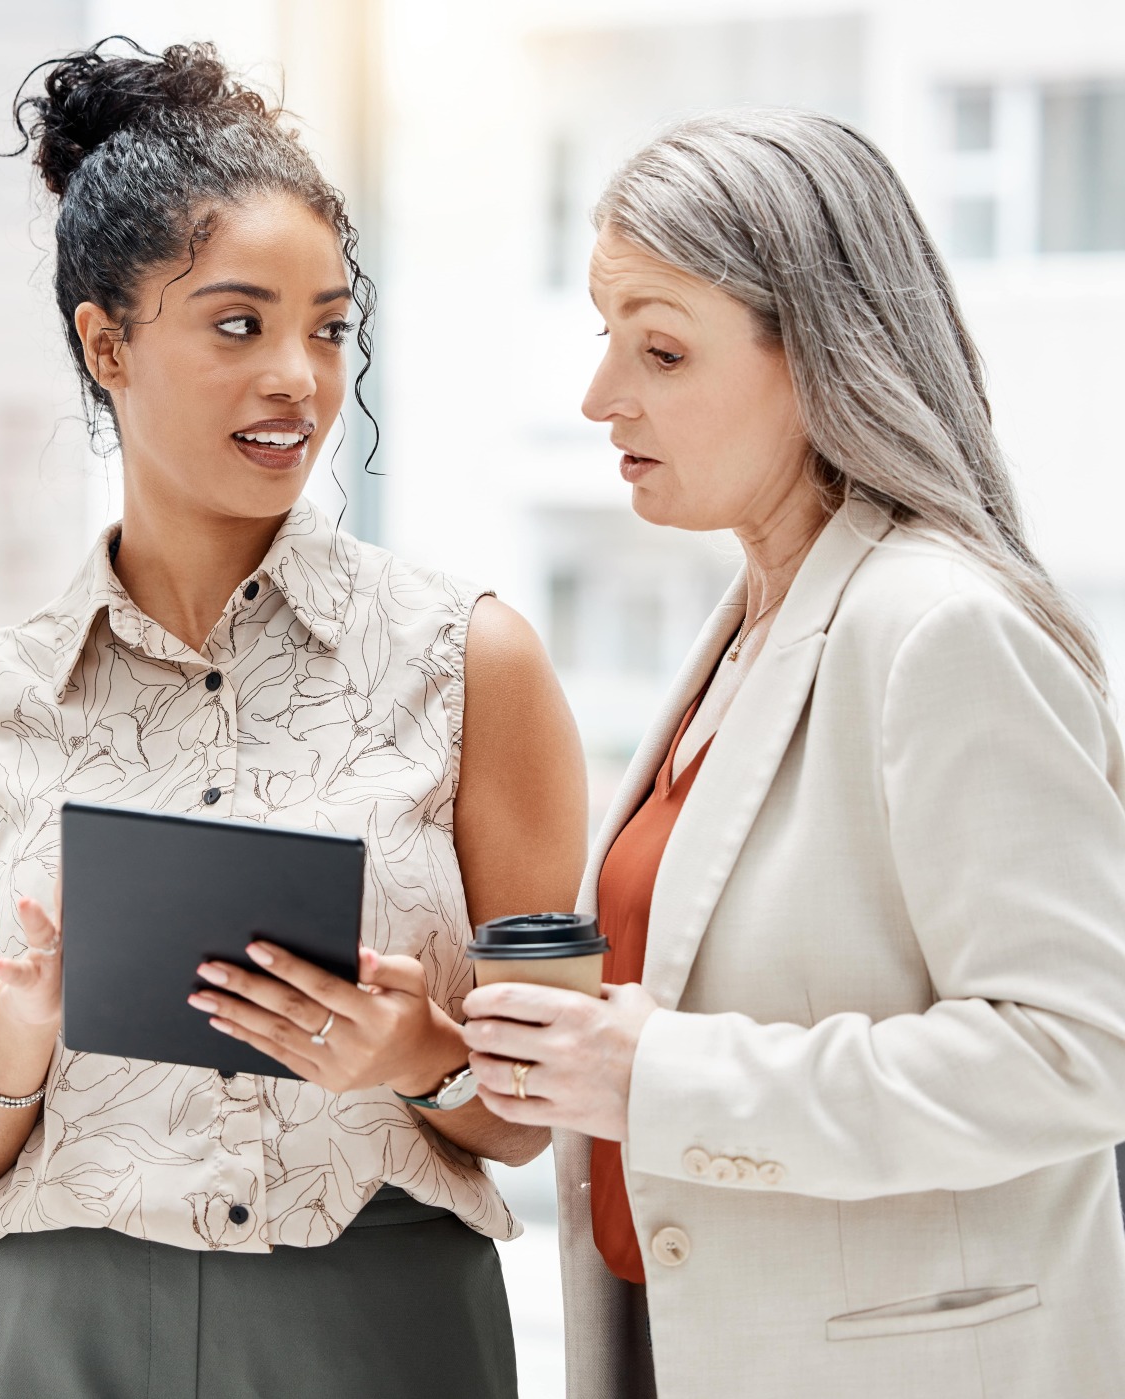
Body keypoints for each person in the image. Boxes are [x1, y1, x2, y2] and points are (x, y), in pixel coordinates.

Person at [0, 41, 587, 1398]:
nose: (299, 376)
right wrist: (16, 1038)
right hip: (47, 1334)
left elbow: (535, 1110)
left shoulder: (473, 662)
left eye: (330, 327)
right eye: (237, 324)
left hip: (379, 1327)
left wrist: (424, 1054)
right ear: (107, 343)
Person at [458, 109, 1125, 1399]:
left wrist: (663, 1072)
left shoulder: (935, 628)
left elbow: (1076, 1052)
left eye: (658, 348)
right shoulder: (750, 626)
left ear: (817, 358)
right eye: (606, 340)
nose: (600, 396)